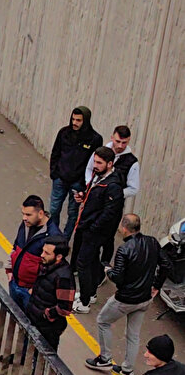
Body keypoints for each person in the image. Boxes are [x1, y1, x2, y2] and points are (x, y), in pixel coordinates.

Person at [85, 214, 172, 375]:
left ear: (124, 228)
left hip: (125, 298)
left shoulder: (124, 250)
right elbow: (166, 265)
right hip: (145, 298)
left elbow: (118, 277)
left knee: (103, 320)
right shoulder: (152, 242)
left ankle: (104, 358)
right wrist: (156, 286)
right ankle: (127, 370)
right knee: (133, 334)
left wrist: (108, 270)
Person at [71, 146, 125, 314]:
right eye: (94, 161)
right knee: (92, 261)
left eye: (99, 163)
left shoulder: (113, 186)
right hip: (88, 226)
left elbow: (109, 213)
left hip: (94, 231)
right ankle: (91, 293)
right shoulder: (99, 176)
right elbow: (94, 198)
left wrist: (92, 228)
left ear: (110, 164)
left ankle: (84, 303)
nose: (95, 165)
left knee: (83, 263)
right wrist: (82, 196)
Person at [84, 125, 140, 267]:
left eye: (124, 142)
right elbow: (89, 169)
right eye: (117, 141)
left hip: (113, 205)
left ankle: (104, 266)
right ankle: (89, 264)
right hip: (94, 201)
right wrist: (90, 186)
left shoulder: (132, 162)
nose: (120, 145)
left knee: (108, 238)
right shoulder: (101, 152)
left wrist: (113, 193)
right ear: (112, 137)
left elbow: (133, 189)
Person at [48, 106, 103, 238]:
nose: (75, 123)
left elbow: (93, 162)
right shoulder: (64, 133)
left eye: (78, 120)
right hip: (60, 178)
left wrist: (85, 183)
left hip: (78, 183)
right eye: (73, 119)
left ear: (85, 121)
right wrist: (54, 173)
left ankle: (65, 239)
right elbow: (55, 152)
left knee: (72, 213)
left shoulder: (94, 139)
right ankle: (53, 236)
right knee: (54, 210)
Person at [6, 195, 63, 311]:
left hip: (31, 292)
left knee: (30, 324)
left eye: (28, 215)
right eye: (23, 214)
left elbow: (52, 269)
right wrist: (9, 270)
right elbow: (16, 246)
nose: (24, 218)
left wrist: (36, 290)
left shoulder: (53, 236)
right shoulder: (27, 224)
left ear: (41, 214)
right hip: (15, 282)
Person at [25, 235, 76, 352]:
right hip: (35, 316)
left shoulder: (64, 277)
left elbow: (65, 308)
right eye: (43, 251)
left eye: (47, 253)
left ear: (59, 256)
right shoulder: (47, 265)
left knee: (45, 354)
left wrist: (46, 314)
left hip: (48, 327)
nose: (42, 255)